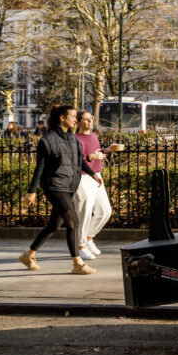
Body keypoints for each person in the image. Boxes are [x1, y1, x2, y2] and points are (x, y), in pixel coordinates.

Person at [19, 105, 101, 274]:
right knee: (73, 221)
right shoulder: (47, 139)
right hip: (54, 185)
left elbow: (79, 160)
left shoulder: (72, 137)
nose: (75, 119)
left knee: (54, 225)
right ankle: (77, 263)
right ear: (62, 118)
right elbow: (39, 167)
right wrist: (32, 191)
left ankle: (28, 255)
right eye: (72, 116)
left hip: (70, 184)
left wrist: (92, 174)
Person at [72, 111, 113, 260]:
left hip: (97, 176)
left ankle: (89, 238)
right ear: (78, 122)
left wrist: (107, 150)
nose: (89, 121)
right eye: (86, 119)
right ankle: (81, 246)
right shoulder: (75, 138)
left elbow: (96, 153)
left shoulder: (94, 137)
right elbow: (75, 159)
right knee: (84, 213)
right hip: (82, 178)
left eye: (91, 119)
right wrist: (91, 157)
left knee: (105, 211)